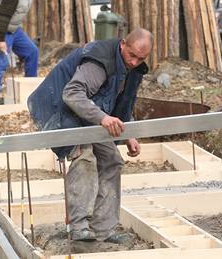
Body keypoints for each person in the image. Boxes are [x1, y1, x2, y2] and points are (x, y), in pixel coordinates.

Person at [27, 28, 153, 243]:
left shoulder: (134, 68)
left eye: (141, 58)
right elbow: (72, 94)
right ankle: (79, 226)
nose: (134, 62)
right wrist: (103, 119)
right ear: (123, 44)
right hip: (58, 109)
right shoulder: (99, 62)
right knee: (84, 156)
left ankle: (104, 229)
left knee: (112, 160)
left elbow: (122, 101)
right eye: (132, 55)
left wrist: (129, 133)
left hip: (86, 113)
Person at [0, 0, 38, 105]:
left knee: (32, 52)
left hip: (13, 29)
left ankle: (31, 94)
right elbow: (1, 16)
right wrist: (0, 40)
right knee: (0, 64)